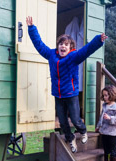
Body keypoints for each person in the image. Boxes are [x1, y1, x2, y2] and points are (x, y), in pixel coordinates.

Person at [26, 16, 107, 153]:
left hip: (71, 94)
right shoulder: (51, 55)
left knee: (75, 119)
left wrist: (98, 40)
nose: (63, 46)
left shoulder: (74, 57)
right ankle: (71, 139)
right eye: (61, 44)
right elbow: (39, 45)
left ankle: (83, 131)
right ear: (58, 46)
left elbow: (86, 50)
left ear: (71, 47)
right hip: (58, 95)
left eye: (66, 44)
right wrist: (31, 28)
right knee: (63, 123)